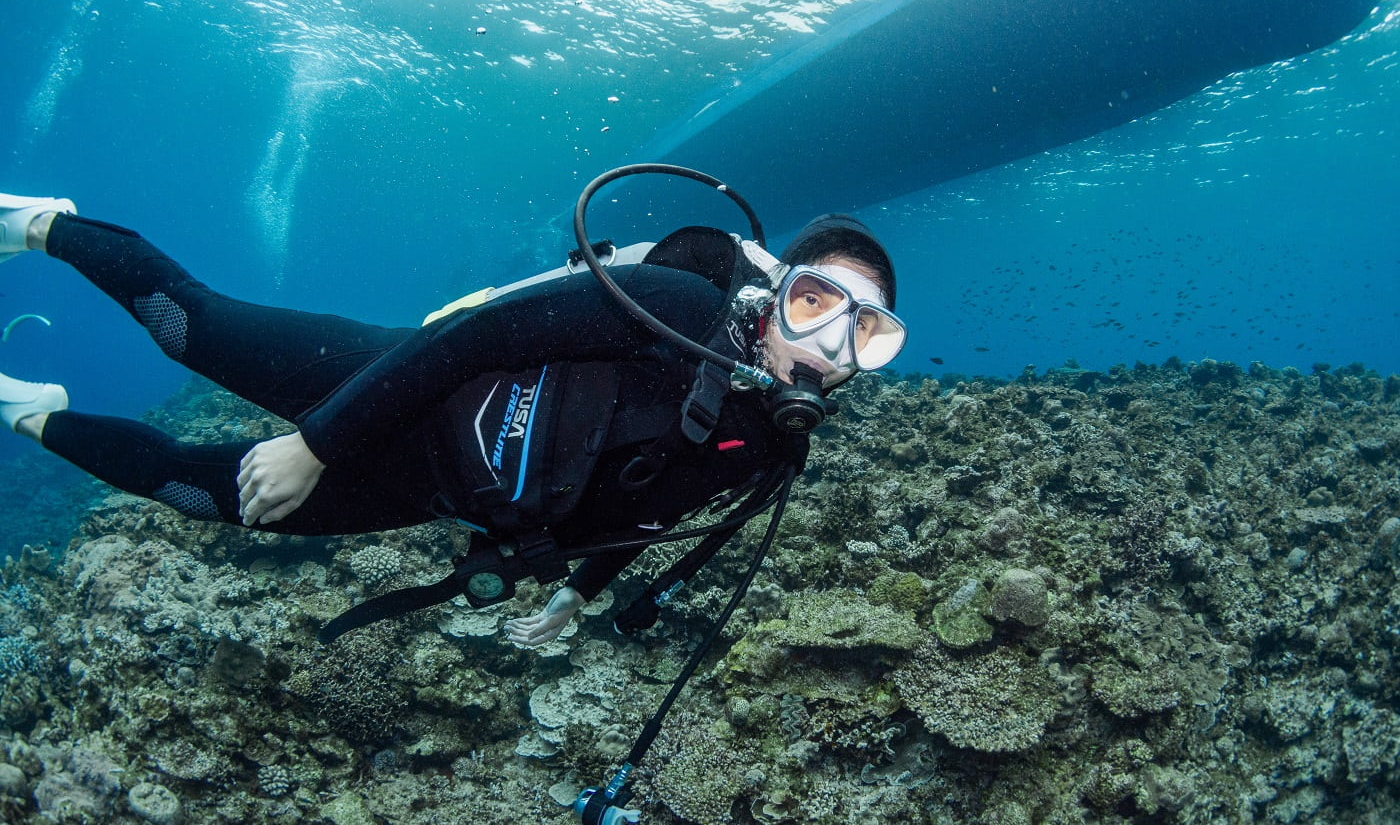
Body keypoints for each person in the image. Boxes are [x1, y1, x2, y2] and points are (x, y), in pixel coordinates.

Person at [0, 188, 904, 648]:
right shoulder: (669, 301)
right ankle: (47, 224)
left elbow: (653, 504)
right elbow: (478, 335)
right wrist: (317, 441)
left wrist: (577, 592)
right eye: (816, 302)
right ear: (776, 291)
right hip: (390, 379)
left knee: (194, 493)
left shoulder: (775, 448)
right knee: (189, 328)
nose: (830, 344)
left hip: (430, 488)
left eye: (865, 330)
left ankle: (30, 414)